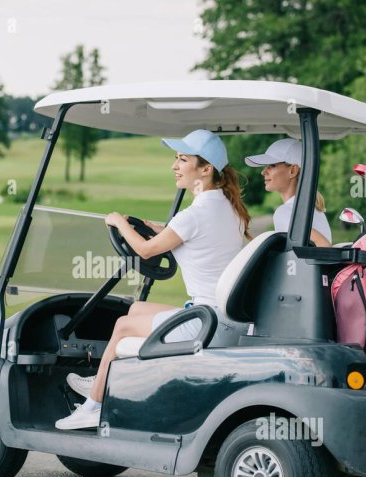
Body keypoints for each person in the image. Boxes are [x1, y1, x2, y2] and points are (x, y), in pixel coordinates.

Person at [55, 129, 252, 430]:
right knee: (134, 310)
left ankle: (94, 407)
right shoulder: (227, 207)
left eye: (182, 159)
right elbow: (195, 236)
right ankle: (101, 381)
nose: (174, 166)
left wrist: (120, 223)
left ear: (205, 169)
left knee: (122, 326)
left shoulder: (194, 215)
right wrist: (159, 227)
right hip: (221, 317)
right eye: (175, 158)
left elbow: (146, 250)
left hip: (205, 323)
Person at [245, 138, 332, 246]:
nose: (263, 172)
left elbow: (324, 246)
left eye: (272, 165)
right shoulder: (315, 210)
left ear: (293, 171)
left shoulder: (286, 212)